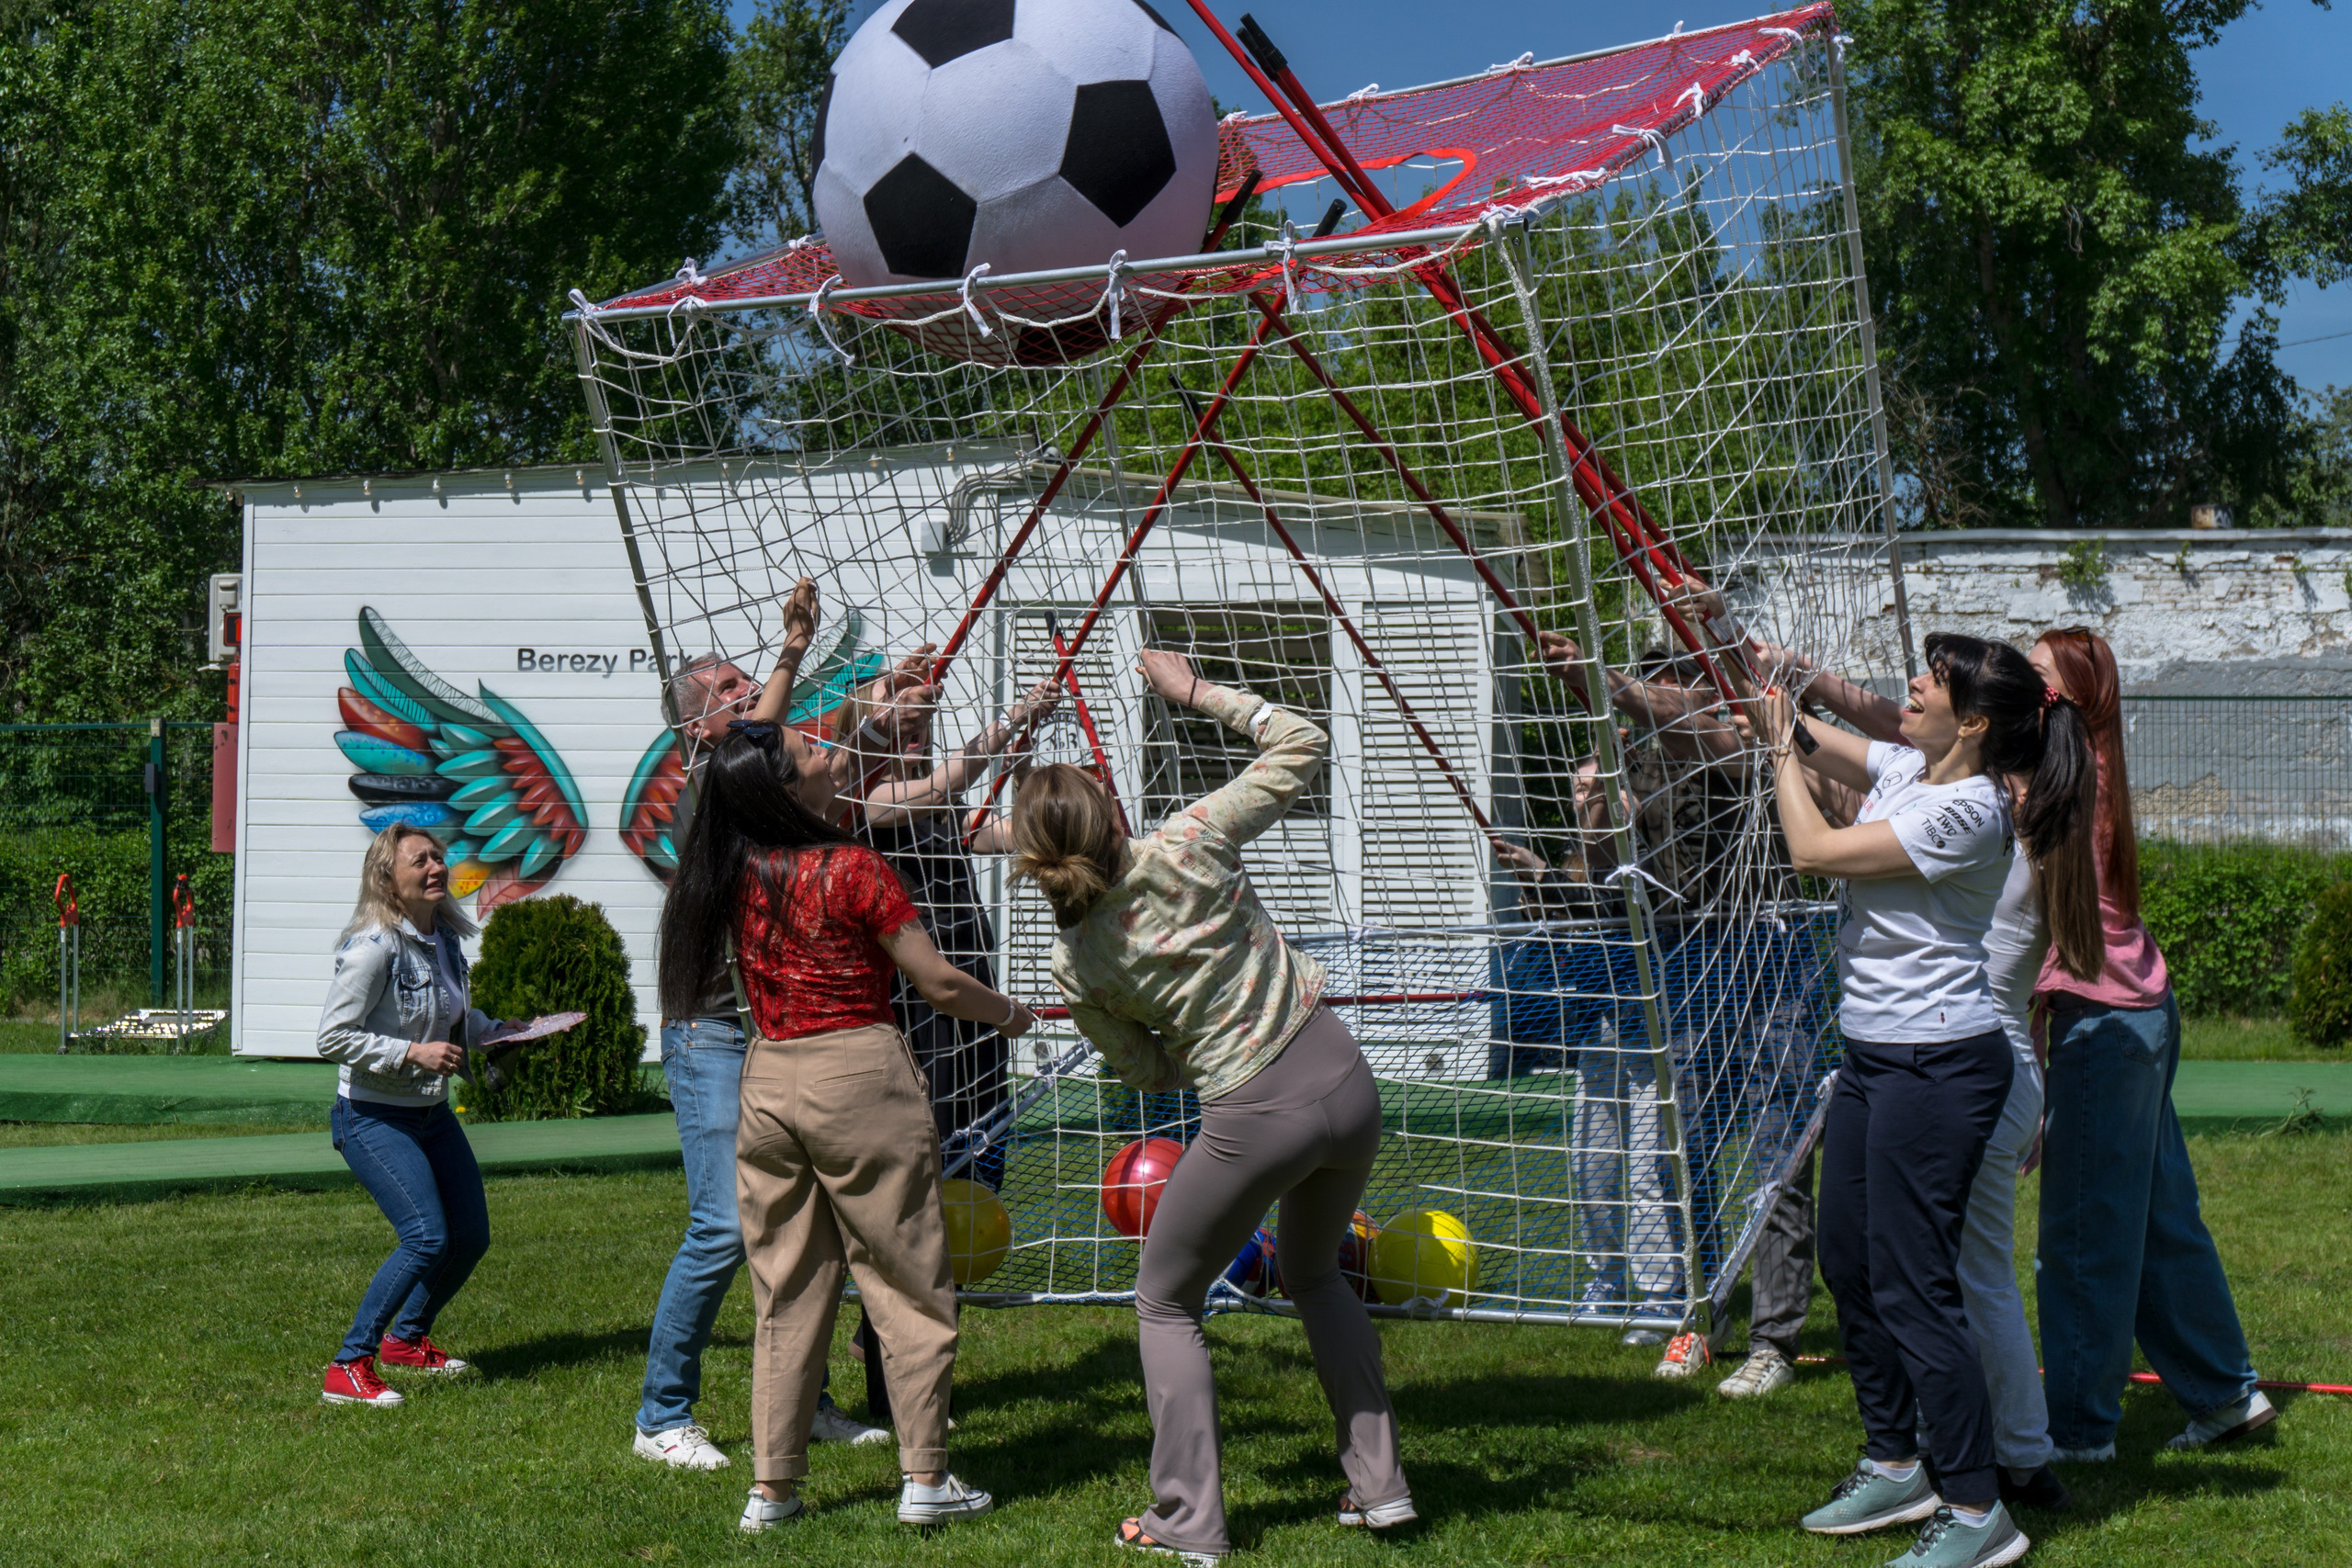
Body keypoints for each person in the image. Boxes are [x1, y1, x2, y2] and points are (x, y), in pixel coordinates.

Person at [1009, 648, 1410, 1564]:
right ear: (1110, 814)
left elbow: (1143, 1072)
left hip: (1250, 1114)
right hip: (1346, 1080)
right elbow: (1301, 741)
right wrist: (1193, 692)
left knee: (1163, 1300)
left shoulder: (1077, 961)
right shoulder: (1190, 837)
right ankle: (1380, 1487)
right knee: (1314, 1275)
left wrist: (1190, 1044)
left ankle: (1187, 1522)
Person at [1756, 631, 2099, 1568]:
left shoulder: (1972, 810)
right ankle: (1895, 1461)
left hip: (1940, 1068)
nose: (1910, 683)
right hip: (1874, 1060)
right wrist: (1752, 680)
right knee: (1849, 1261)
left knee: (1917, 1288)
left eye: (1933, 681)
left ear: (1974, 723)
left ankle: (1978, 1509)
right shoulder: (1911, 766)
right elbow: (1813, 737)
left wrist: (1777, 744)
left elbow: (1813, 849)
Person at [660, 707, 1030, 1533]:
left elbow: (741, 748)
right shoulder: (854, 867)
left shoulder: (729, 869)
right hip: (859, 1073)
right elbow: (939, 982)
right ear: (786, 787)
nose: (831, 754)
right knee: (907, 1280)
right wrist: (1011, 1014)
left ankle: (773, 1490)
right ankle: (927, 1476)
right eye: (812, 750)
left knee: (786, 1293)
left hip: (769, 1081)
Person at [633, 580, 893, 1467]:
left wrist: (881, 707)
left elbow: (823, 769)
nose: (748, 696)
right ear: (694, 726)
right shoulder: (705, 785)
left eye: (749, 681)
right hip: (709, 1032)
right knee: (722, 1225)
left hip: (772, 1027)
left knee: (801, 1226)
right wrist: (792, 648)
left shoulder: (763, 789)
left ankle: (804, 1400)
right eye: (728, 690)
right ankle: (661, 1415)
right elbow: (765, 738)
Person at [2029, 626, 2273, 1460]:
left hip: (2105, 1026)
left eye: (2038, 674)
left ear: (2071, 696)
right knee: (2162, 1220)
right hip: (2142, 1014)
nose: (2024, 684)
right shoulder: (2092, 763)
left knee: (2083, 1235)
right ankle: (2225, 1393)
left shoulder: (2059, 778)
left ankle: (2079, 1430)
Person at [314, 824, 508, 1407]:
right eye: (419, 860)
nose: (435, 867)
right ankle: (349, 1366)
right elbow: (332, 1037)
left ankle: (406, 1341)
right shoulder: (373, 948)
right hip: (371, 1117)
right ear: (387, 879)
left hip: (431, 1114)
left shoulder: (444, 939)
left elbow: (451, 1017)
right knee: (426, 1237)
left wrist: (501, 1032)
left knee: (470, 1237)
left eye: (437, 857)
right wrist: (410, 1053)